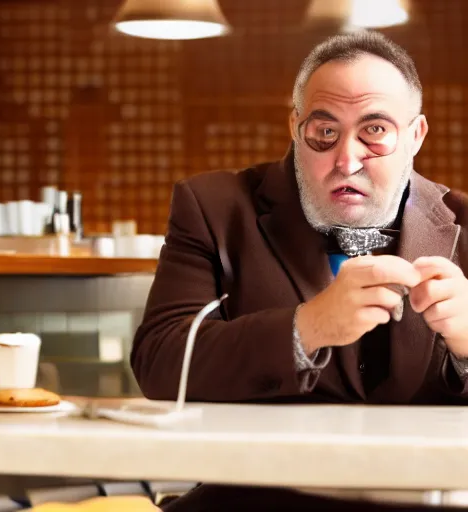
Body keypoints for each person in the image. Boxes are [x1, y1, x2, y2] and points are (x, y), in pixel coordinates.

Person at [131, 31, 468, 511]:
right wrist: (304, 328)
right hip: (255, 499)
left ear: (415, 136)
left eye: (374, 131)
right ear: (295, 126)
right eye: (325, 132)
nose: (346, 160)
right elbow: (160, 363)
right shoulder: (212, 207)